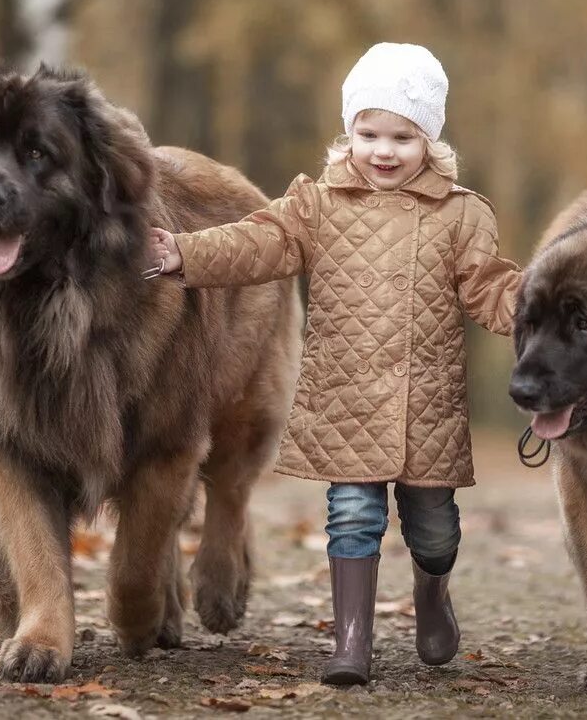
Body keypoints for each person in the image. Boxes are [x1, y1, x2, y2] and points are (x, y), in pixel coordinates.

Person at [147, 42, 522, 685]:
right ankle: (352, 643)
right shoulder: (316, 205)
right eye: (368, 132)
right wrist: (186, 253)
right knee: (351, 519)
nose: (383, 150)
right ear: (347, 133)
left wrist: (538, 308)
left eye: (402, 136)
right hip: (346, 402)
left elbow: (488, 286)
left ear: (429, 139)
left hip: (424, 408)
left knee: (433, 531)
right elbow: (256, 242)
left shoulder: (463, 214)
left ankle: (433, 596)